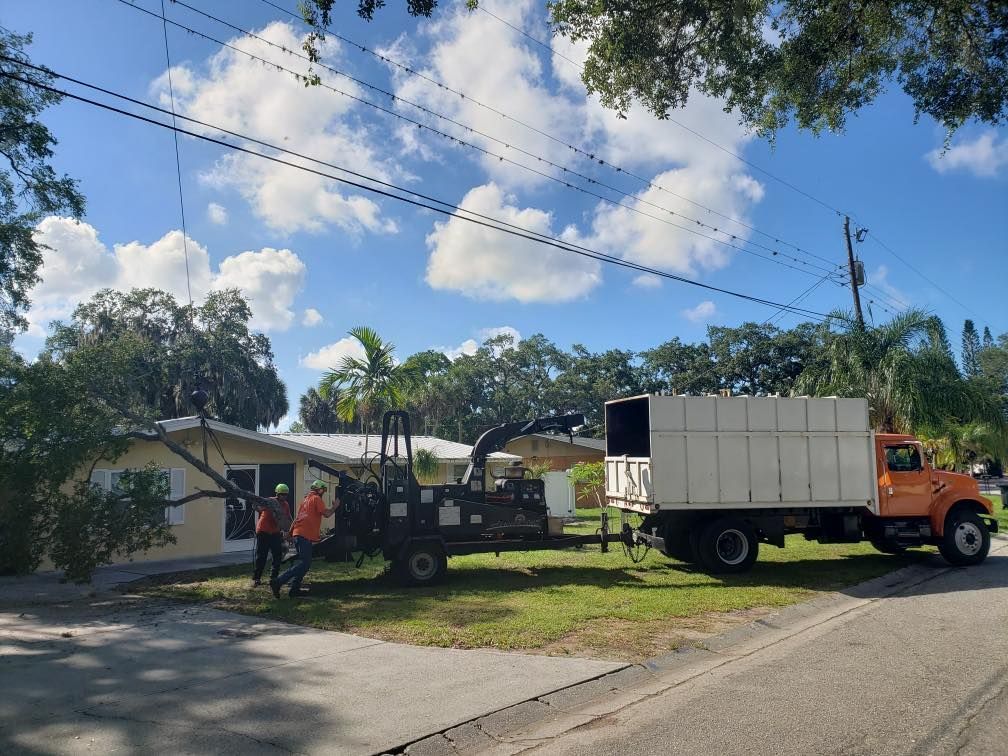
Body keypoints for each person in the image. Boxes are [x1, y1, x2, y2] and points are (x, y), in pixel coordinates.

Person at [270, 479, 339, 599]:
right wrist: (335, 507)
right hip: (304, 536)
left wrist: (290, 533)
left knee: (304, 564)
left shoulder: (305, 500)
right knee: (305, 563)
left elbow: (297, 519)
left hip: (298, 534)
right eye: (323, 490)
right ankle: (278, 581)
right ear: (319, 489)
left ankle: (294, 590)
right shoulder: (317, 499)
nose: (323, 492)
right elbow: (327, 514)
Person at [251, 483, 292, 588]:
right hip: (263, 531)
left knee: (277, 555)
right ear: (277, 494)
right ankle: (256, 578)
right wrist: (256, 504)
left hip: (275, 533)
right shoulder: (269, 501)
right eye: (282, 494)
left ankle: (273, 578)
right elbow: (257, 507)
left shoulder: (286, 505)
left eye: (286, 495)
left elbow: (287, 518)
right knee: (261, 556)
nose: (284, 496)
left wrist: (291, 530)